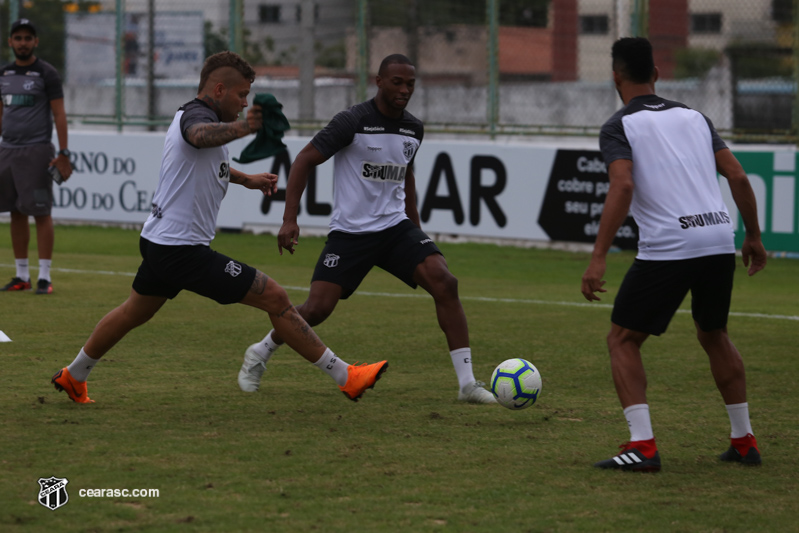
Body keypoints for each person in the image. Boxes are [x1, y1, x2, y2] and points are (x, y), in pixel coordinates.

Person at [51, 51, 387, 404]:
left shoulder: (203, 116)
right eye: (241, 95)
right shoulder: (197, 117)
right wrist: (245, 128)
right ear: (220, 89)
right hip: (181, 250)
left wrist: (246, 179)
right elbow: (198, 136)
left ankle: (74, 375)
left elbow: (206, 162)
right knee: (276, 297)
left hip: (160, 242)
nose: (245, 104)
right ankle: (345, 376)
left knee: (134, 311)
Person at [237, 53, 495, 404]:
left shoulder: (413, 128)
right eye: (397, 82)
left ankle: (467, 384)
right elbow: (304, 160)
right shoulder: (352, 121)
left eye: (410, 84)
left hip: (395, 229)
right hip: (351, 235)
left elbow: (406, 176)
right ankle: (260, 352)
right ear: (379, 82)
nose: (405, 90)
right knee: (316, 309)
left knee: (445, 282)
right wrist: (289, 218)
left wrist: (417, 233)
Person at [581, 37, 767, 472]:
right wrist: (753, 236)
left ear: (615, 76)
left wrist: (598, 258)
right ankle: (744, 441)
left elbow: (623, 185)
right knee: (713, 333)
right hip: (718, 238)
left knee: (622, 339)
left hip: (670, 245)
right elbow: (737, 175)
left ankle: (642, 447)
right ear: (657, 75)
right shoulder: (695, 116)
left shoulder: (618, 125)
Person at [0, 19, 73, 295]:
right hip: (7, 150)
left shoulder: (46, 73)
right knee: (15, 212)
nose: (22, 42)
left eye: (28, 38)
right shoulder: (3, 74)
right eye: (17, 37)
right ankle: (21, 275)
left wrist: (63, 152)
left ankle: (44, 277)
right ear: (10, 42)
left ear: (35, 42)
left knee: (41, 212)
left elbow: (59, 114)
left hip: (37, 150)